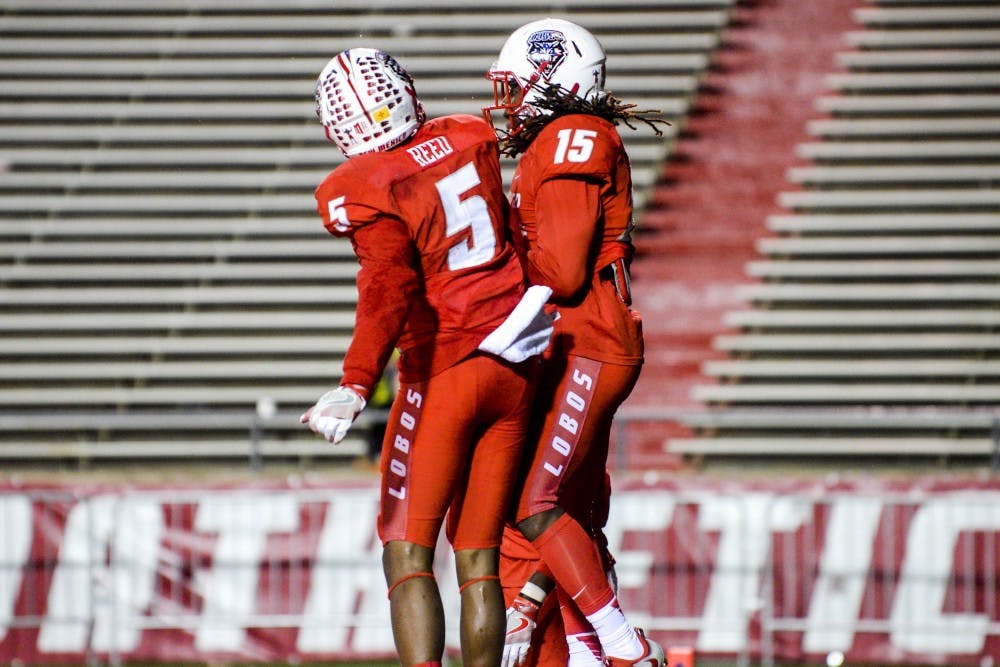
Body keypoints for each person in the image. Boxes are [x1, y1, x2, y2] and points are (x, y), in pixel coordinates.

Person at [301, 47, 556, 667]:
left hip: (444, 369)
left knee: (407, 550)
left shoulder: (363, 185)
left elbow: (390, 289)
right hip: (514, 362)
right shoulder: (468, 134)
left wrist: (356, 382)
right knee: (478, 558)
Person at [483, 18, 670, 667]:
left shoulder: (572, 136)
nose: (507, 102)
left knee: (538, 502)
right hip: (581, 339)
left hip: (588, 336)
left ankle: (623, 646)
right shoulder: (568, 138)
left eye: (514, 85)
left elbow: (561, 271)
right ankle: (591, 649)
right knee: (571, 506)